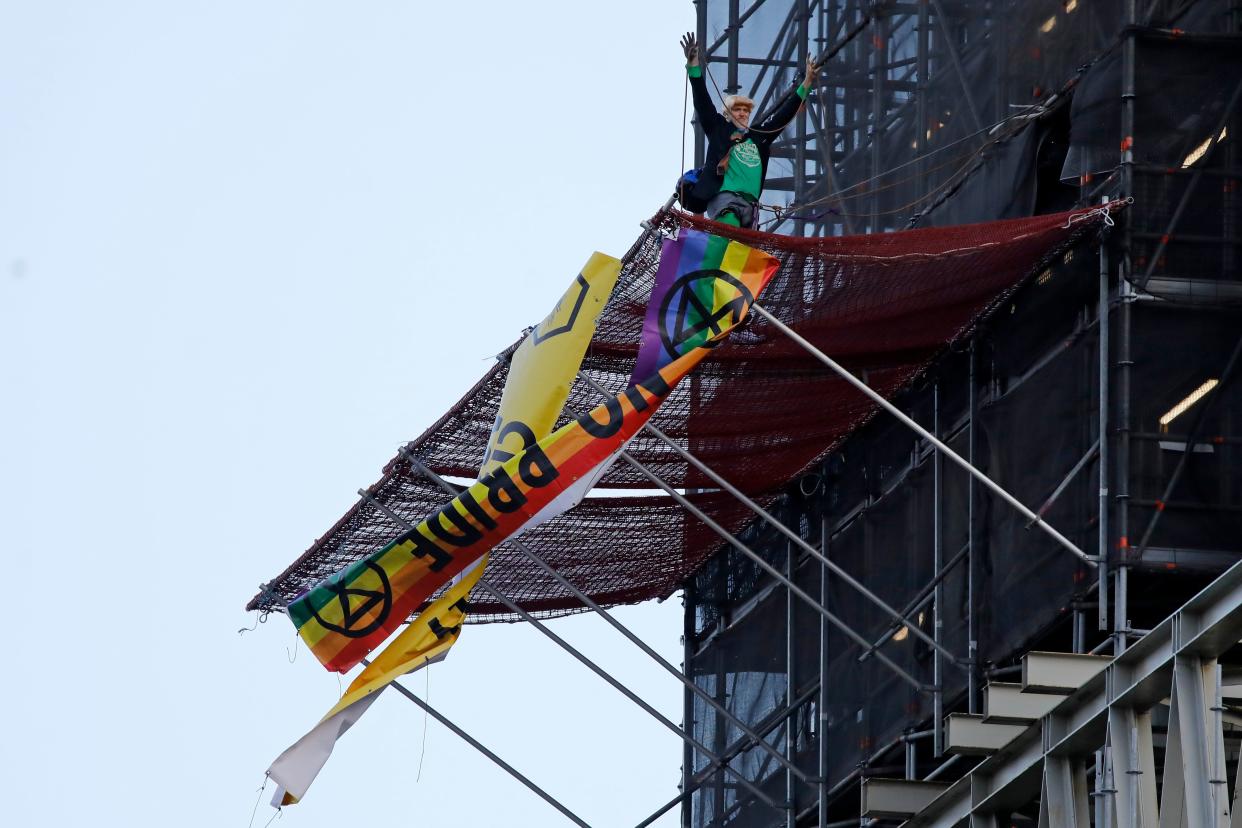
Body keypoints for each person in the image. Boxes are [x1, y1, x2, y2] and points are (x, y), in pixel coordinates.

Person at [680, 32, 818, 228]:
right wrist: (693, 67)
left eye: (746, 110)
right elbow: (703, 103)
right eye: (737, 109)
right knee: (727, 233)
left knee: (741, 250)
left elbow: (784, 115)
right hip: (725, 198)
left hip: (751, 205)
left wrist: (806, 85)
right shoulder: (719, 129)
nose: (743, 113)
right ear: (727, 113)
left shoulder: (759, 137)